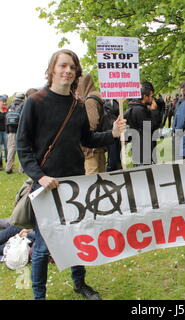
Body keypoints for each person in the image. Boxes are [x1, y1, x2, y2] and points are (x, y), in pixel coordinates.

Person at [16, 49, 126, 300]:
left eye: (72, 67)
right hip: (45, 187)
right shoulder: (35, 102)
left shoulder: (77, 106)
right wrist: (40, 176)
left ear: (76, 73)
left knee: (77, 238)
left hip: (75, 185)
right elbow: (23, 147)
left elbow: (86, 138)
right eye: (63, 66)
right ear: (52, 69)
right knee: (44, 248)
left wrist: (113, 134)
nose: (67, 71)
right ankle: (38, 295)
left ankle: (79, 283)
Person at [76, 73, 107, 174]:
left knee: (92, 179)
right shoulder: (97, 96)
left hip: (91, 149)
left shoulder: (90, 100)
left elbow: (92, 124)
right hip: (98, 146)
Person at [124, 81, 161, 166]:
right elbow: (152, 127)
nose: (153, 98)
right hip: (144, 153)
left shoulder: (133, 108)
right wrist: (154, 111)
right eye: (151, 96)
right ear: (145, 96)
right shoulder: (140, 110)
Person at [5, 92, 25, 174]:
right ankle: (22, 169)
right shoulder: (24, 105)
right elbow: (24, 118)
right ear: (23, 98)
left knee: (11, 149)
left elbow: (6, 119)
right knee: (22, 148)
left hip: (10, 130)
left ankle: (8, 168)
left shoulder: (10, 105)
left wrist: (7, 131)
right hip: (20, 130)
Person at [0, 95, 8, 170]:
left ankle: (7, 161)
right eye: (3, 101)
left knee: (6, 148)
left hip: (5, 131)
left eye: (5, 101)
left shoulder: (7, 110)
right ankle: (0, 164)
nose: (4, 103)